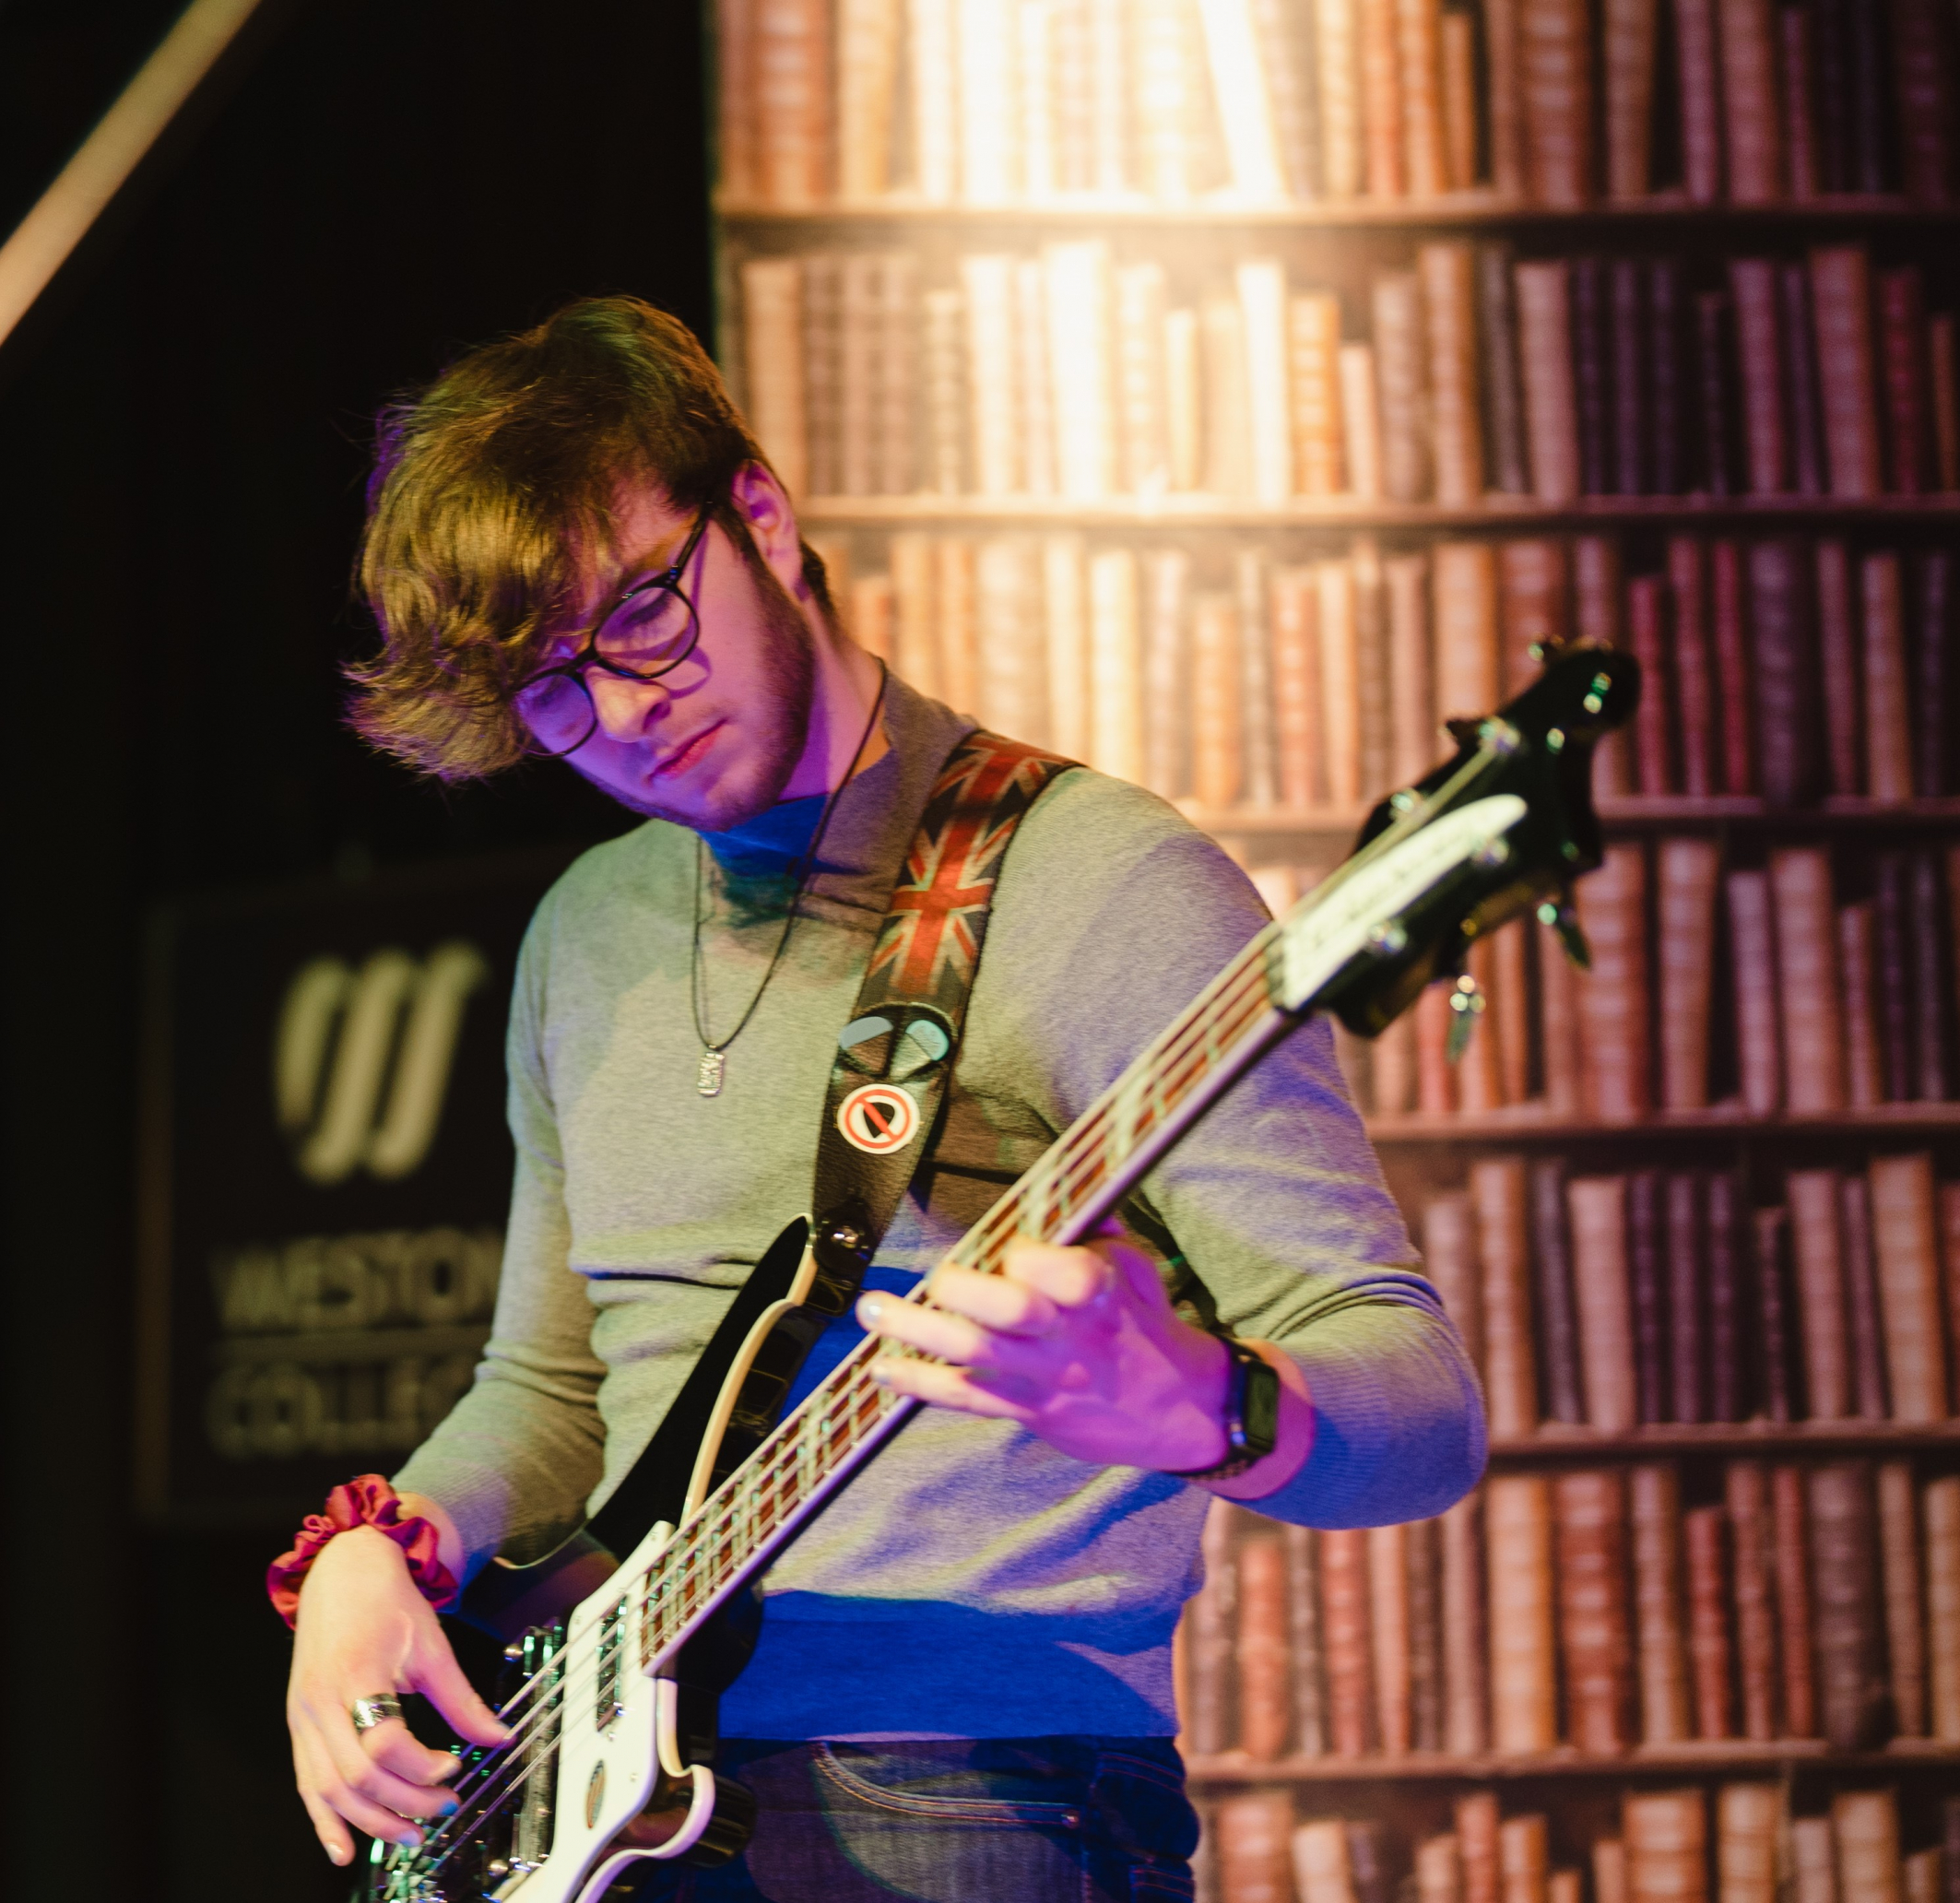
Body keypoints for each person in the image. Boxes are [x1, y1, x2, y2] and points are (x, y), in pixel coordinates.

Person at [279, 295, 1485, 1901]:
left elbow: (1418, 1402)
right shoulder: (585, 930)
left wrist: (1202, 1403)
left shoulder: (1095, 879)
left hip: (974, 1798)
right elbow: (556, 1384)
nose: (626, 712)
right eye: (555, 692)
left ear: (761, 518)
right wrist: (386, 1543)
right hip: (604, 1801)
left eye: (641, 613)